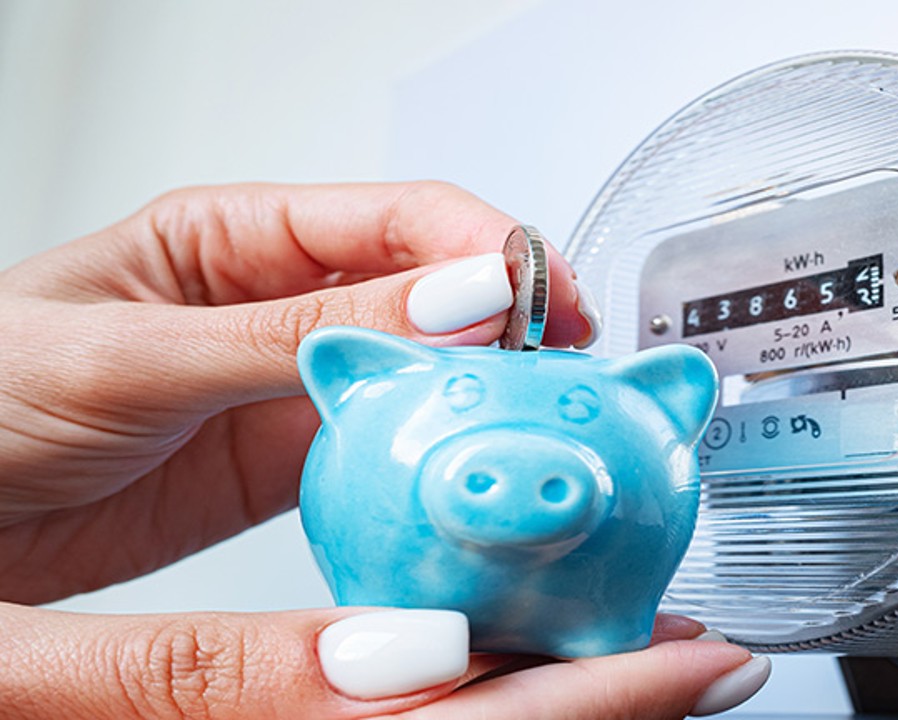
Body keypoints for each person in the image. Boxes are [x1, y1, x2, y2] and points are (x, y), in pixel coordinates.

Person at [0, 182, 771, 719]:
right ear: (353, 384)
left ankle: (605, 624)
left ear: (669, 404)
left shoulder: (654, 399)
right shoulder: (366, 382)